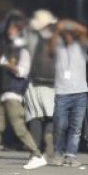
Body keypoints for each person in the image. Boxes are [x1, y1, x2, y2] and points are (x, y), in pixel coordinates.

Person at [0, 11, 47, 171]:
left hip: (14, 94)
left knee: (19, 127)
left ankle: (36, 155)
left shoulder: (24, 51)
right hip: (4, 94)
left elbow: (22, 71)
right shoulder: (9, 49)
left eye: (14, 28)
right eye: (10, 28)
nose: (10, 31)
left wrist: (3, 62)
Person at [52, 18, 88, 166]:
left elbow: (84, 31)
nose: (68, 35)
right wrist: (58, 28)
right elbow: (53, 38)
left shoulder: (81, 47)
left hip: (80, 92)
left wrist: (69, 24)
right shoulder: (58, 47)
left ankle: (71, 155)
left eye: (71, 34)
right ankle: (58, 153)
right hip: (62, 92)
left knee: (76, 127)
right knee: (60, 125)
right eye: (65, 33)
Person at [24, 9, 58, 159]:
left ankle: (35, 150)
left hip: (34, 81)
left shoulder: (30, 38)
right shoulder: (58, 38)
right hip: (53, 82)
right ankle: (49, 135)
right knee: (51, 114)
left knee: (35, 116)